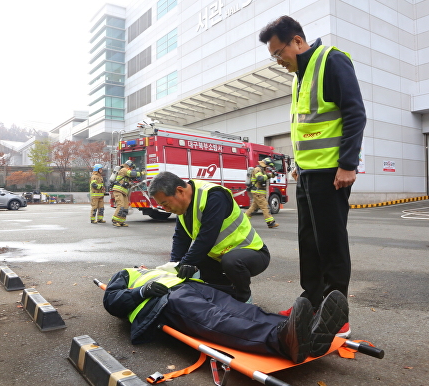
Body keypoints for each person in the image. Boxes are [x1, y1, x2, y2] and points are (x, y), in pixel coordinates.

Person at [259, 16, 366, 338]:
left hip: (332, 172)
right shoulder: (298, 77)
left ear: (297, 41)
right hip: (308, 172)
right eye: (273, 56)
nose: (278, 61)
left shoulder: (330, 60)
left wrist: (348, 164)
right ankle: (312, 299)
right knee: (308, 239)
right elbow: (307, 127)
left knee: (331, 241)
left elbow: (354, 113)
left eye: (279, 53)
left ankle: (338, 312)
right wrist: (298, 165)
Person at [103, 266, 349, 364]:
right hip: (165, 301)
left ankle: (306, 332)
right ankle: (282, 341)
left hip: (194, 288)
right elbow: (112, 301)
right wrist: (141, 292)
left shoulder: (161, 267)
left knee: (246, 311)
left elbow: (190, 273)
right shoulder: (125, 273)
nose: (140, 266)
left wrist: (190, 270)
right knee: (216, 319)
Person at [148, 171, 270, 303]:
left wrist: (186, 264)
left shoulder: (214, 195)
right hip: (220, 257)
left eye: (165, 203)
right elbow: (181, 239)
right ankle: (225, 294)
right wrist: (175, 267)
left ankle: (244, 299)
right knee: (196, 262)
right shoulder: (183, 207)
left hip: (253, 253)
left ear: (179, 191)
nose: (165, 209)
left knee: (227, 261)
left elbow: (207, 236)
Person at [245, 157, 279, 228]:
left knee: (253, 208)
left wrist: (272, 174)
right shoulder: (258, 169)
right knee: (265, 207)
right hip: (258, 193)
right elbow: (260, 178)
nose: (268, 168)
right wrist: (267, 175)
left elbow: (265, 176)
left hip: (259, 193)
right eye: (269, 166)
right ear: (265, 164)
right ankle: (270, 223)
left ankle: (243, 220)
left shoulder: (262, 170)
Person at [111, 160, 145, 227]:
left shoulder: (126, 174)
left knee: (125, 207)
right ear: (129, 165)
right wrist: (141, 173)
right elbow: (132, 174)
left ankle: (121, 221)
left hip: (124, 191)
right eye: (132, 168)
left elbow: (126, 183)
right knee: (120, 205)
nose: (132, 169)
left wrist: (131, 184)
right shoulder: (124, 169)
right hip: (118, 190)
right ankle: (115, 220)